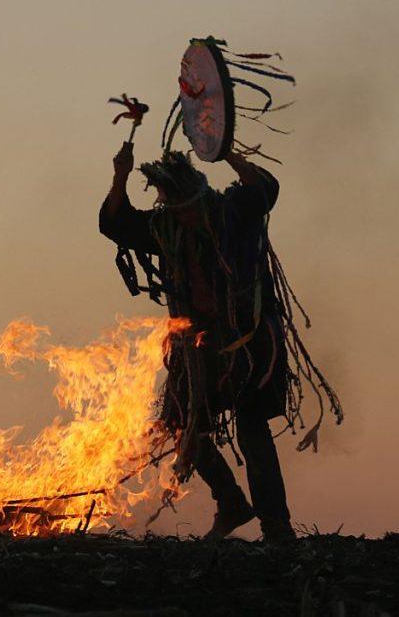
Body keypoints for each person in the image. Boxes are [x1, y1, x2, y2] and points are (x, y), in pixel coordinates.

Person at [99, 141, 298, 543]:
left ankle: (276, 528)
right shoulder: (166, 227)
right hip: (198, 349)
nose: (182, 217)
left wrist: (225, 151)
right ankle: (231, 503)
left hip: (251, 344)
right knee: (184, 423)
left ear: (199, 197)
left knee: (252, 428)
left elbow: (265, 188)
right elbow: (114, 224)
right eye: (172, 207)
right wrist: (121, 175)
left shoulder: (232, 213)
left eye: (184, 208)